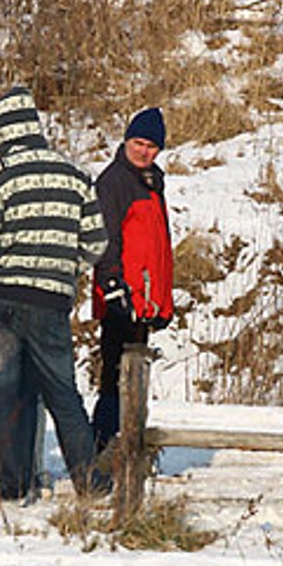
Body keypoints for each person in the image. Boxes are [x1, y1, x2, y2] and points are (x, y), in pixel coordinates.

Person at [0, 86, 110, 501]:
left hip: (0, 299)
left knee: (1, 394)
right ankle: (88, 481)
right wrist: (63, 271)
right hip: (51, 302)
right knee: (62, 392)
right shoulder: (76, 176)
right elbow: (96, 243)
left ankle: (9, 489)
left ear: (1, 131)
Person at [90, 107, 175, 455]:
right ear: (126, 140)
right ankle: (98, 454)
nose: (144, 151)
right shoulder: (114, 181)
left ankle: (128, 452)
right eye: (139, 143)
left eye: (151, 146)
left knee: (134, 380)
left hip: (144, 300)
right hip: (121, 297)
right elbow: (104, 237)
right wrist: (112, 284)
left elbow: (157, 246)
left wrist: (162, 301)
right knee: (114, 378)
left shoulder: (152, 182)